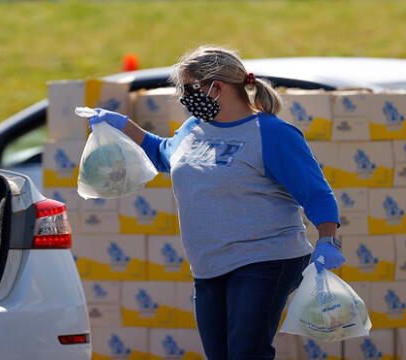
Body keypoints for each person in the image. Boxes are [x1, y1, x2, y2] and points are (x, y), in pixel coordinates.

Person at [87, 45, 345, 360]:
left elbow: (315, 191)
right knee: (219, 354)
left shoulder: (273, 134)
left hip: (264, 259)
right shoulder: (194, 128)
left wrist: (328, 240)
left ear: (217, 87)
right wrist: (123, 126)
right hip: (209, 264)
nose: (184, 98)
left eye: (188, 89)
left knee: (246, 352)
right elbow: (165, 155)